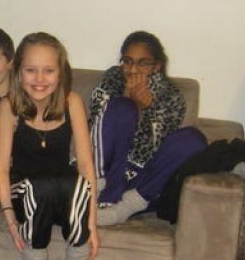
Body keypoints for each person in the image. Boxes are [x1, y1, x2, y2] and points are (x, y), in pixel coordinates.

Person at [0, 32, 99, 260]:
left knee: (76, 184)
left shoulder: (72, 102)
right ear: (18, 72)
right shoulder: (9, 107)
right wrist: (11, 221)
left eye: (48, 70)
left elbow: (86, 165)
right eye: (31, 70)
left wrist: (91, 223)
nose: (39, 79)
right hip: (25, 190)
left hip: (60, 192)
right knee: (39, 188)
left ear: (60, 73)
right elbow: (1, 170)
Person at [89, 31, 208, 225]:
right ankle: (99, 199)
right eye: (127, 61)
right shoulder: (112, 79)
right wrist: (129, 101)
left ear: (156, 66)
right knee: (123, 107)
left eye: (143, 63)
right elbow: (96, 124)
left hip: (141, 180)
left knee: (194, 139)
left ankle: (124, 208)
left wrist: (146, 109)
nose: (133, 70)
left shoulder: (170, 97)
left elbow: (155, 147)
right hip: (102, 174)